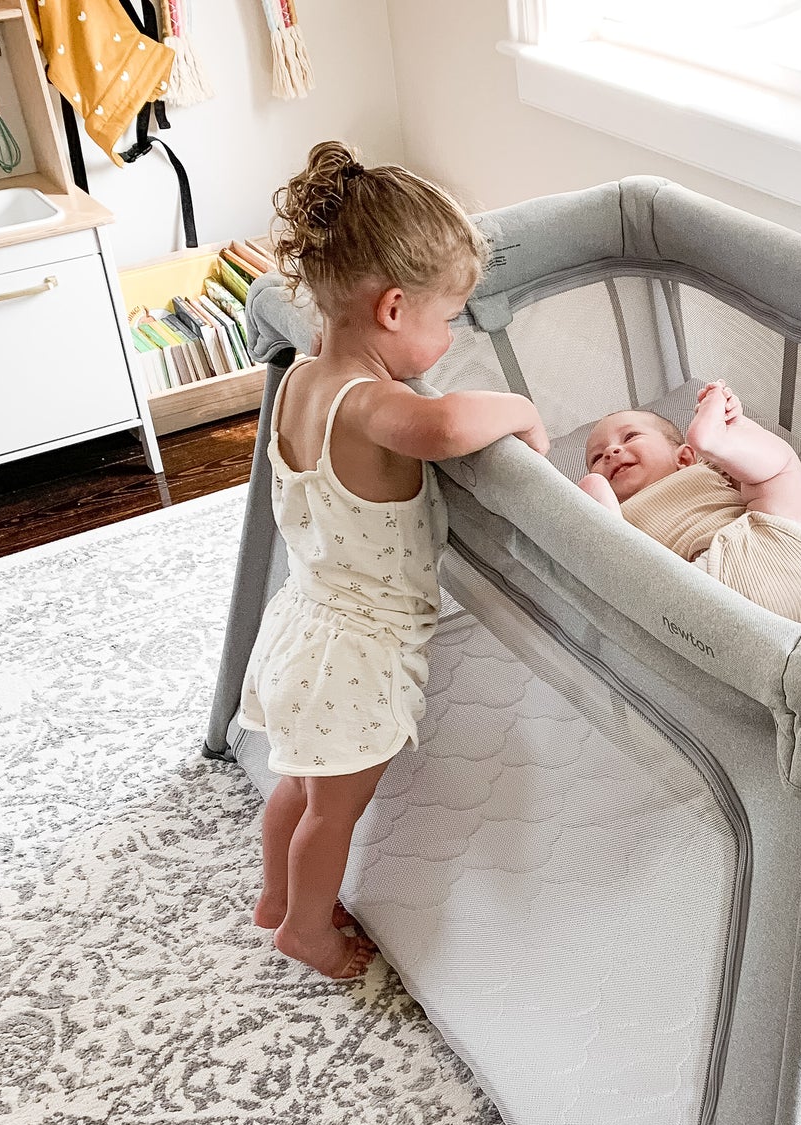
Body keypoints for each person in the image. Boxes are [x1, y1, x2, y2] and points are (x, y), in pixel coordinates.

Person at [239, 141, 549, 980]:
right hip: (360, 653)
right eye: (446, 319)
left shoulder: (304, 378)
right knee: (332, 812)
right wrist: (520, 407)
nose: (449, 338)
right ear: (392, 309)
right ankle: (304, 928)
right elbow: (447, 426)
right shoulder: (376, 406)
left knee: (296, 789)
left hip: (303, 622)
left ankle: (275, 895)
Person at [577, 381, 801, 624]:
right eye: (597, 458)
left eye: (630, 437)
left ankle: (722, 437)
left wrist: (733, 419)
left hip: (780, 549)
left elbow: (752, 473)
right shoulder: (620, 513)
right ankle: (603, 529)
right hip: (702, 591)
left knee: (774, 470)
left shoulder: (705, 467)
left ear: (685, 456)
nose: (611, 452)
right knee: (627, 566)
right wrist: (601, 507)